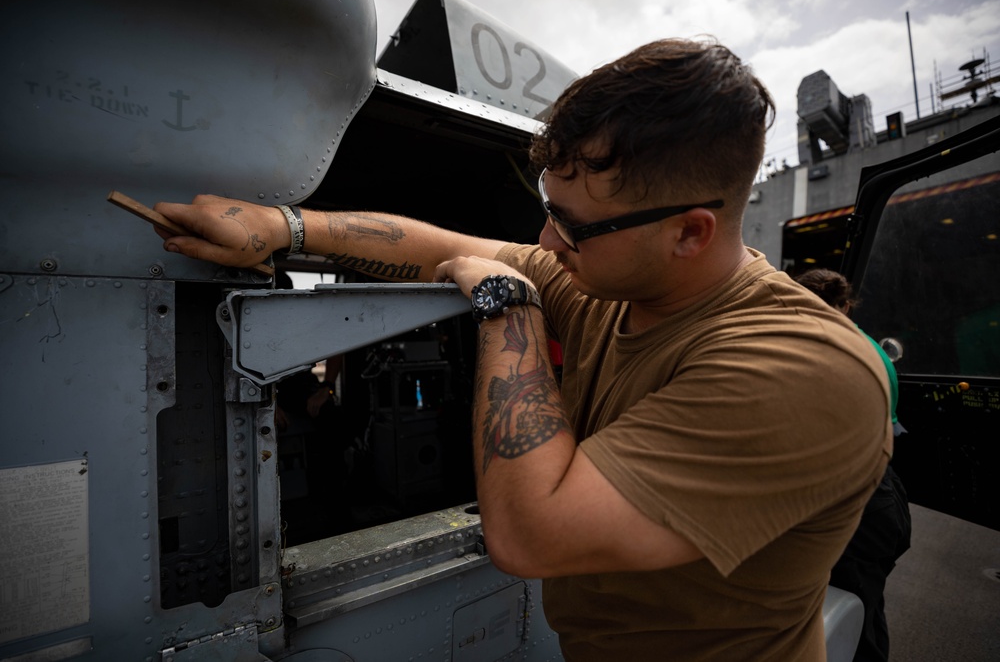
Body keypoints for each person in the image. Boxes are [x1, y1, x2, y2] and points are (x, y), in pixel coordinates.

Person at [151, 38, 892, 661]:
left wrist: (509, 305)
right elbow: (442, 246)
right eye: (548, 212)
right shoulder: (612, 279)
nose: (545, 243)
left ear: (690, 232)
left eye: (573, 226)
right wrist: (284, 229)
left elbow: (529, 533)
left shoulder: (801, 370)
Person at [795, 268, 912, 662]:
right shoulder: (867, 345)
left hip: (860, 510)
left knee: (854, 616)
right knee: (863, 605)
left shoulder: (829, 350)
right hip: (883, 494)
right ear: (846, 305)